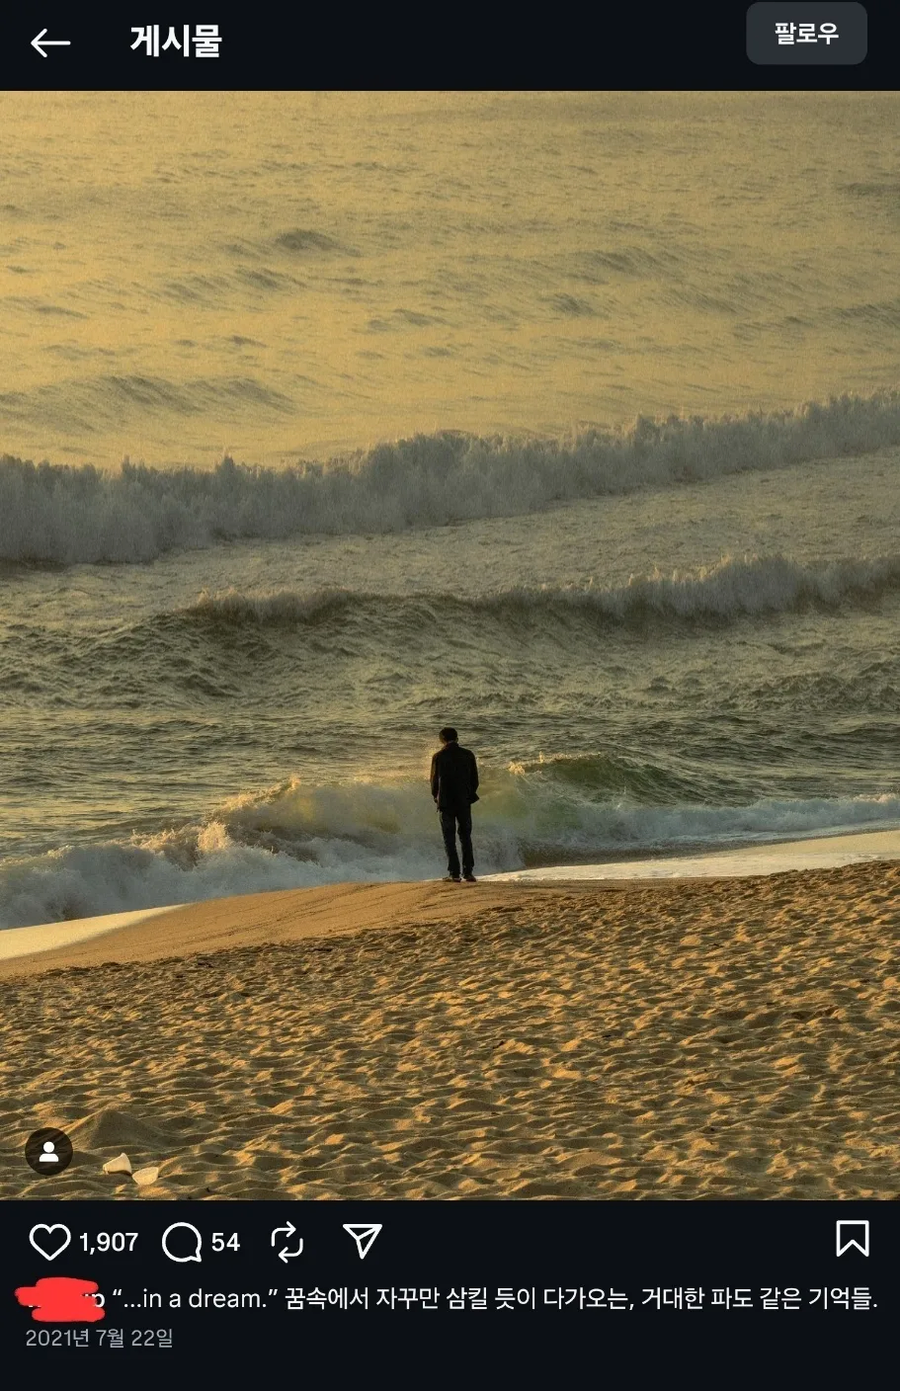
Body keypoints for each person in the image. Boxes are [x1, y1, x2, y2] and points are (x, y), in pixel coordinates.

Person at [430, 726, 479, 882]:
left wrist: (436, 797)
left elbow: (433, 782)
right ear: (457, 738)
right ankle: (468, 872)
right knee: (465, 836)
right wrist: (467, 794)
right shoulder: (468, 755)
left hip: (445, 802)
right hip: (464, 801)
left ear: (442, 740)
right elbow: (475, 781)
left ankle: (454, 873)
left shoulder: (438, 756)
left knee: (449, 838)